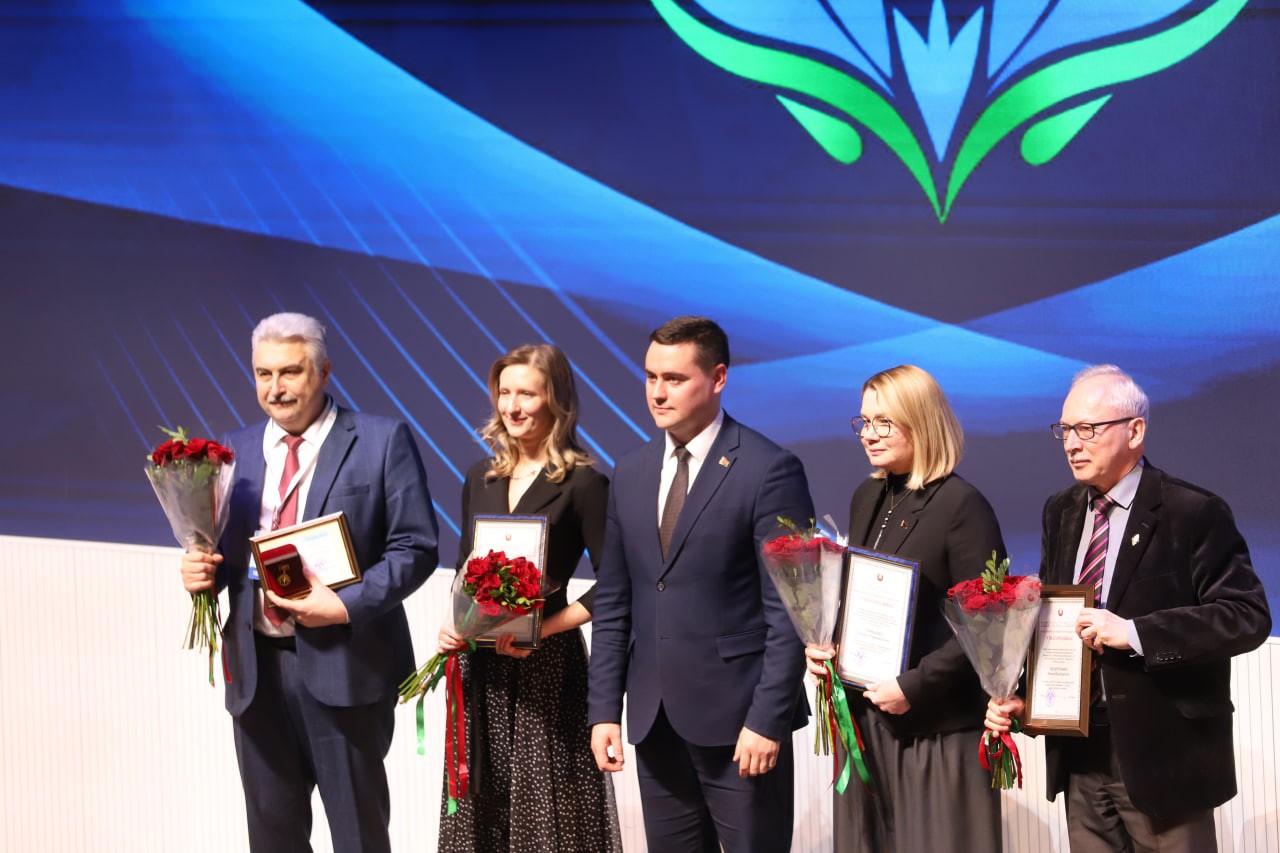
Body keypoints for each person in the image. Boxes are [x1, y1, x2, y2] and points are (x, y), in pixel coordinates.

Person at [179, 312, 439, 852]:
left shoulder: (381, 440)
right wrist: (203, 572)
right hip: (257, 672)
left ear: (323, 371)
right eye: (263, 374)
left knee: (358, 838)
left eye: (290, 372)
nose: (275, 388)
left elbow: (416, 548)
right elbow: (231, 552)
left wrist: (342, 605)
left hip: (346, 665)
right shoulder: (235, 448)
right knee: (273, 838)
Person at [987, 364, 1271, 852]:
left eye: (1087, 429)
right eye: (1064, 430)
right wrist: (1026, 699)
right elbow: (1055, 621)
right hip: (1079, 749)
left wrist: (1136, 633)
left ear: (1135, 431)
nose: (1071, 444)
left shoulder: (1192, 511)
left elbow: (1246, 617)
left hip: (1164, 756)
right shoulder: (1060, 510)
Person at [588, 316, 813, 853]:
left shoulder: (769, 469)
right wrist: (603, 711)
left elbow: (791, 611)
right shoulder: (630, 471)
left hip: (742, 726)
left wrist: (767, 719)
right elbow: (615, 602)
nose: (657, 393)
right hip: (654, 720)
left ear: (718, 378)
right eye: (650, 377)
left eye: (674, 379)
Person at [804, 364, 1003, 851]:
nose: (868, 434)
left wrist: (914, 685)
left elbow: (989, 624)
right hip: (867, 720)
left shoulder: (962, 505)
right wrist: (826, 647)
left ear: (922, 422)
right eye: (863, 421)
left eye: (883, 422)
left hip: (935, 729)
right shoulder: (868, 495)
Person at [435, 344, 622, 852]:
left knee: (547, 819)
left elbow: (615, 585)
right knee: (485, 812)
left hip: (548, 670)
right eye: (504, 393)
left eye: (527, 394)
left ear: (556, 402)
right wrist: (454, 626)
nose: (512, 407)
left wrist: (545, 629)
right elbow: (464, 571)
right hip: (482, 669)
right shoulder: (481, 476)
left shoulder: (585, 483)